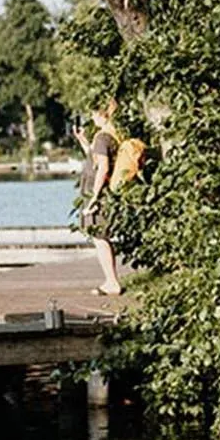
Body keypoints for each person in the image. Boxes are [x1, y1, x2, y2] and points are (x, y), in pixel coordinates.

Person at [77, 104, 147, 296]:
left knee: (100, 237)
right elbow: (95, 160)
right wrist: (84, 142)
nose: (92, 119)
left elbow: (103, 168)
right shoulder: (114, 135)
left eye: (93, 115)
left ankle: (112, 282)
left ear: (101, 115)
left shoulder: (101, 138)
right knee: (102, 236)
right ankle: (110, 280)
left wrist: (94, 197)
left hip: (97, 192)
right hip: (107, 191)